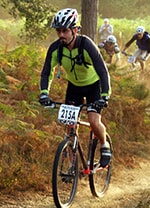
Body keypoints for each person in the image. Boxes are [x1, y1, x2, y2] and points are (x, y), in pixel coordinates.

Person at [39, 8, 112, 167]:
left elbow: (102, 71)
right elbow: (46, 73)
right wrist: (44, 93)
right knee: (70, 124)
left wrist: (105, 96)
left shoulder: (86, 45)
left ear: (75, 30)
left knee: (93, 120)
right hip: (74, 87)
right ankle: (73, 165)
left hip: (94, 86)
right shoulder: (55, 48)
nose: (61, 35)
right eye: (58, 31)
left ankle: (104, 145)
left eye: (64, 31)